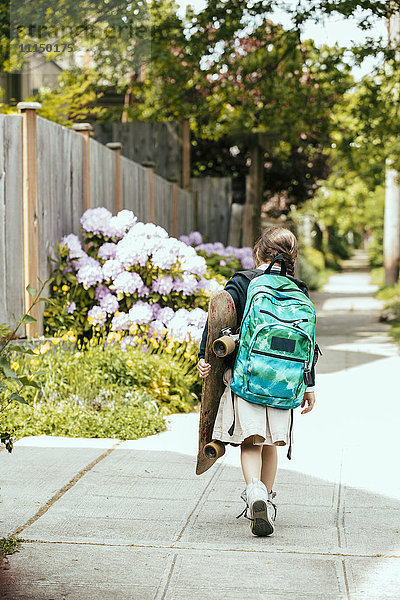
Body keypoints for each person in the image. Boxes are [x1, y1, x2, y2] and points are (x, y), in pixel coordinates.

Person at [197, 226, 318, 537]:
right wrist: (310, 385)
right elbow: (308, 342)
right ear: (293, 257)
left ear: (260, 252)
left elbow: (218, 317)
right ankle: (267, 498)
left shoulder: (244, 281)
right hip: (285, 381)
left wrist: (205, 358)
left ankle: (255, 492)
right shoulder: (298, 288)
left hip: (247, 377)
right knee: (269, 444)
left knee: (250, 442)